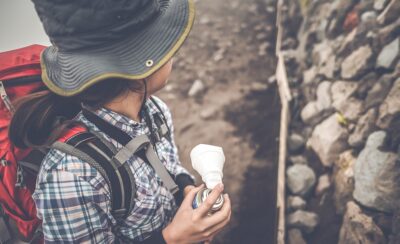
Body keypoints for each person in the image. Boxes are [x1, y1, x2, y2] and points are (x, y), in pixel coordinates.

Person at [8, 0, 231, 243]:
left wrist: (185, 188)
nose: (172, 53)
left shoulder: (155, 110)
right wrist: (173, 238)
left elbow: (167, 165)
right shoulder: (71, 174)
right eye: (162, 45)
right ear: (139, 70)